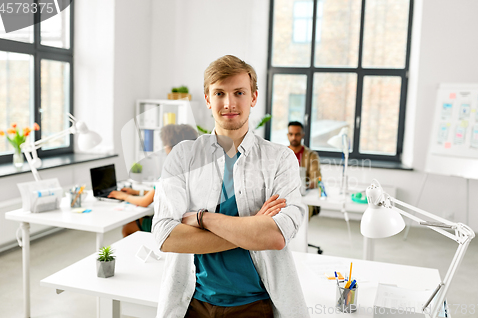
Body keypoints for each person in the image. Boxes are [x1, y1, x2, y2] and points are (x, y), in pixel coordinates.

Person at [152, 55, 309, 317]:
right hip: (192, 303)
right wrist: (252, 229)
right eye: (219, 93)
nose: (229, 103)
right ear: (207, 99)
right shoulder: (183, 156)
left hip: (253, 304)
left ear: (254, 97)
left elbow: (275, 237)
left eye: (239, 92)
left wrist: (203, 218)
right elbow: (166, 236)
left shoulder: (280, 159)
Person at [108, 124, 198, 237]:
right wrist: (137, 192)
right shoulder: (194, 168)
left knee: (128, 226)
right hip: (189, 222)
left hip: (172, 224)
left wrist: (123, 196)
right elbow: (163, 193)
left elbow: (144, 202)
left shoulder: (171, 171)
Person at [287, 121, 322, 189]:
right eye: (291, 134)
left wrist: (305, 185)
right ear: (287, 135)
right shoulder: (281, 154)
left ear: (302, 135)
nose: (293, 137)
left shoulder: (312, 155)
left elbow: (316, 178)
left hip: (303, 193)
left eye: (297, 134)